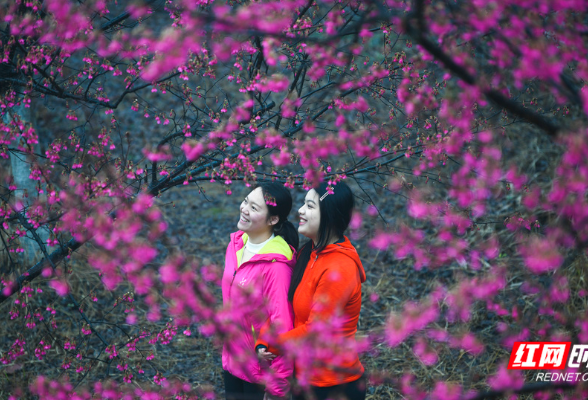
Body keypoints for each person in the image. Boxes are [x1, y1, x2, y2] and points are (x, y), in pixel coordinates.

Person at [256, 181, 367, 400]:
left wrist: (273, 345)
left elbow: (315, 331)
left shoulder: (339, 268)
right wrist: (263, 339)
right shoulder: (309, 253)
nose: (300, 210)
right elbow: (284, 304)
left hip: (334, 385)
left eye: (310, 206)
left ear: (329, 214)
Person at [221, 183, 299, 400]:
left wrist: (277, 389)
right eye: (245, 201)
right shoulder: (236, 245)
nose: (244, 208)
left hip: (258, 375)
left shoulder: (277, 266)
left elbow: (282, 327)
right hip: (233, 361)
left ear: (273, 219)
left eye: (254, 208)